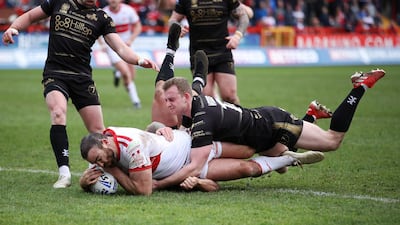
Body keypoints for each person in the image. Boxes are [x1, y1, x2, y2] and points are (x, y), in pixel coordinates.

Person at [154, 50, 386, 190]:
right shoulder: (193, 101)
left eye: (172, 99)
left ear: (186, 97)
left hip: (273, 124)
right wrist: (163, 128)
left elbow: (194, 166)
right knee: (282, 157)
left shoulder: (203, 117)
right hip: (261, 131)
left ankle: (360, 86)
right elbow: (199, 81)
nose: (168, 105)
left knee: (332, 141)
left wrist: (158, 184)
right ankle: (311, 115)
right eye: (166, 100)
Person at [1, 0, 159, 189]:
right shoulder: (59, 2)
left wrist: (140, 60)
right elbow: (30, 16)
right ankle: (64, 173)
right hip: (55, 73)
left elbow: (121, 48)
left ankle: (102, 170)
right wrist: (13, 28)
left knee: (98, 131)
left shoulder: (102, 18)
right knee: (58, 113)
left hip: (82, 78)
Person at [78, 126, 323, 195]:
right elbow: (96, 170)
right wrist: (83, 182)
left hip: (193, 146)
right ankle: (288, 160)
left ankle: (290, 140)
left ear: (106, 142)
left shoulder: (130, 145)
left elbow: (143, 190)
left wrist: (114, 170)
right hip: (192, 170)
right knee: (247, 168)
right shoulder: (100, 151)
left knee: (248, 148)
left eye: (101, 159)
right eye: (97, 162)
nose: (101, 164)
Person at [168, 0, 250, 105]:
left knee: (230, 95)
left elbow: (244, 16)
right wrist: (176, 27)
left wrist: (237, 36)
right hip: (199, 54)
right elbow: (173, 19)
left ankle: (241, 121)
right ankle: (215, 121)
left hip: (222, 51)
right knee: (207, 99)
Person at [99, 0, 143, 109]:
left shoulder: (128, 10)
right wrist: (102, 44)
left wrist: (131, 40)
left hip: (126, 46)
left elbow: (138, 26)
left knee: (131, 77)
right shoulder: (103, 13)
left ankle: (117, 73)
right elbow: (97, 31)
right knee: (126, 73)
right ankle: (136, 102)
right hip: (112, 47)